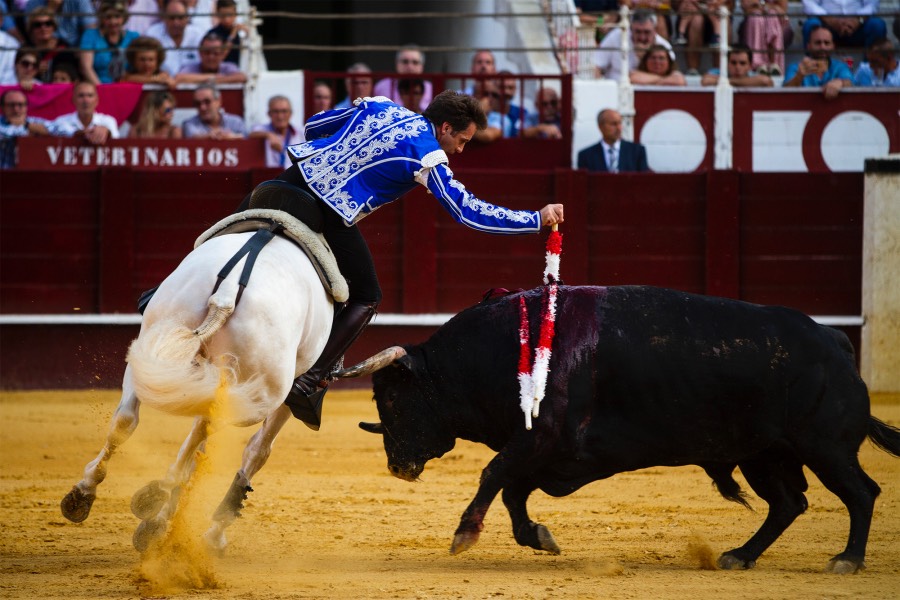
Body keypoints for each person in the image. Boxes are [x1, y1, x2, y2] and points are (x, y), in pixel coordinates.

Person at [238, 91, 564, 428]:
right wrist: (535, 219)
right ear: (445, 127)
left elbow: (313, 127)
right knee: (367, 295)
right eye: (462, 140)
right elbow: (467, 211)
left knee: (229, 232)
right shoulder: (428, 156)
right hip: (328, 212)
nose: (461, 150)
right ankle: (310, 380)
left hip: (285, 183)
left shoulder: (380, 104)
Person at [594, 10, 675, 81]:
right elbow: (596, 66)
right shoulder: (615, 36)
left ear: (655, 30)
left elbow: (675, 77)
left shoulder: (664, 46)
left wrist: (643, 60)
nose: (642, 37)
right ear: (631, 29)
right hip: (615, 90)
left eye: (646, 32)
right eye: (638, 32)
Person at [783, 25, 852, 99]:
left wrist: (840, 82)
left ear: (833, 46)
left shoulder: (840, 66)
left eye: (827, 43)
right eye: (818, 43)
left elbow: (851, 82)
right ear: (808, 46)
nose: (822, 47)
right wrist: (799, 76)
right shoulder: (795, 67)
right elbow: (785, 94)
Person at [79, 1, 139, 84]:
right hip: (97, 87)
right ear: (102, 18)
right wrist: (102, 90)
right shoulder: (90, 35)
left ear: (124, 17)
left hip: (127, 86)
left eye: (117, 17)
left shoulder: (133, 37)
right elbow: (86, 67)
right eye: (108, 17)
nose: (113, 22)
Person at [672, 0, 734, 76]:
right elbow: (674, 4)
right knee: (697, 20)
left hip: (715, 11)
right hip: (692, 14)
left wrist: (718, 3)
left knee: (723, 17)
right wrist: (683, 6)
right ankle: (693, 70)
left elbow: (731, 4)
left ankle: (719, 70)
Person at [577, 108, 649, 173]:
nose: (619, 128)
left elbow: (643, 182)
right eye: (613, 124)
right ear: (601, 126)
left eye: (620, 123)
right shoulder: (586, 156)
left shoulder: (637, 151)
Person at [146, 0, 204, 76]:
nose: (176, 22)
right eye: (171, 18)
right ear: (164, 17)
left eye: (180, 18)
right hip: (161, 84)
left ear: (187, 18)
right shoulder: (152, 34)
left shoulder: (198, 34)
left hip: (194, 84)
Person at [50, 80, 120, 143]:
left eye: (90, 95)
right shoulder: (61, 121)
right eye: (81, 96)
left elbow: (117, 143)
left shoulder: (108, 121)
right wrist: (83, 134)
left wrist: (108, 132)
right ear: (73, 100)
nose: (86, 100)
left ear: (97, 100)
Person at [801, 0, 887, 50]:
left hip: (859, 26)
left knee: (877, 25)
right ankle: (813, 71)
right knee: (811, 25)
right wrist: (830, 20)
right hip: (827, 26)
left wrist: (857, 20)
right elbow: (809, 3)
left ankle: (869, 71)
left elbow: (872, 4)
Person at [26, 6, 79, 83]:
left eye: (48, 23)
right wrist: (35, 70)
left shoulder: (65, 50)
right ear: (31, 29)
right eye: (38, 25)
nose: (43, 28)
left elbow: (71, 77)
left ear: (54, 27)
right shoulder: (26, 50)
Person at [738, 0, 793, 75]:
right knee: (757, 18)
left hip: (776, 21)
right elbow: (746, 8)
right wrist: (769, 7)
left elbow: (782, 10)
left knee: (772, 17)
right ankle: (757, 65)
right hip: (752, 20)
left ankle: (775, 66)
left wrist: (760, 5)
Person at [373, 44, 433, 111]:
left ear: (422, 66)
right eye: (405, 62)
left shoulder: (431, 88)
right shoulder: (382, 86)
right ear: (397, 64)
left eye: (415, 62)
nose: (410, 66)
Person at [0, 88, 50, 168]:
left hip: (30, 174)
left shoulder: (35, 121)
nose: (16, 109)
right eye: (11, 105)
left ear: (26, 106)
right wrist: (32, 130)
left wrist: (26, 125)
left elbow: (57, 131)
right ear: (2, 107)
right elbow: (7, 135)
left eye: (20, 105)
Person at [473, 72, 529, 142]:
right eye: (485, 94)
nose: (506, 92)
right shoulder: (467, 112)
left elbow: (487, 135)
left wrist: (477, 112)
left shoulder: (502, 118)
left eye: (510, 88)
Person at [249, 94, 302, 168]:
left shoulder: (299, 133)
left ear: (290, 113)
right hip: (270, 177)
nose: (280, 116)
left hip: (294, 177)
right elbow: (250, 134)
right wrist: (269, 135)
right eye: (276, 112)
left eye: (284, 111)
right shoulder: (264, 129)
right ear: (269, 114)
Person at [174, 31, 246, 84]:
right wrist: (212, 77)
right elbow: (179, 78)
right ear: (200, 53)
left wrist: (213, 80)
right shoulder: (190, 67)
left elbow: (241, 77)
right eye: (207, 53)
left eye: (215, 53)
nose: (211, 57)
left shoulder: (228, 67)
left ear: (222, 55)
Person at [24, 0, 97, 47]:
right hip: (45, 50)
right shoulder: (33, 4)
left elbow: (91, 29)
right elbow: (32, 35)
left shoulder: (80, 1)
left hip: (76, 50)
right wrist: (50, 9)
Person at [701, 43, 773, 86]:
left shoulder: (753, 75)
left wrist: (728, 81)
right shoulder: (720, 72)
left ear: (750, 66)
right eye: (733, 63)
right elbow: (705, 80)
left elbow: (767, 82)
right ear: (727, 64)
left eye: (742, 63)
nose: (737, 67)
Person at [205, 0, 246, 65]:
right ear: (218, 14)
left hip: (236, 71)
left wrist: (248, 32)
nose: (227, 19)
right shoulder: (213, 34)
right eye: (223, 15)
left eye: (230, 15)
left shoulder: (237, 31)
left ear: (235, 14)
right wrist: (232, 35)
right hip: (220, 73)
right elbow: (220, 57)